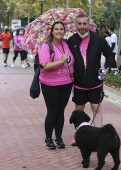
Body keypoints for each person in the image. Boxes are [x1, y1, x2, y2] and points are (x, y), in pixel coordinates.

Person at [67, 14, 114, 145]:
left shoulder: (98, 39)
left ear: (89, 24)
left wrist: (107, 69)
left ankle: (99, 136)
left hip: (95, 82)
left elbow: (110, 55)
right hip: (79, 83)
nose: (82, 26)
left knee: (96, 108)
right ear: (76, 25)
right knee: (79, 110)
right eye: (79, 24)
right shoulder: (71, 41)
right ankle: (78, 136)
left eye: (84, 24)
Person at [38, 21, 74, 149]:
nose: (59, 31)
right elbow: (45, 65)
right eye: (56, 29)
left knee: (61, 112)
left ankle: (58, 138)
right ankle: (48, 139)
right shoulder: (46, 47)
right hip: (50, 84)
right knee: (52, 111)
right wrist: (61, 61)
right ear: (52, 31)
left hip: (67, 83)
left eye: (61, 29)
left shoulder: (66, 44)